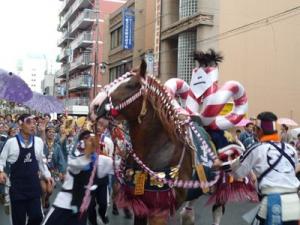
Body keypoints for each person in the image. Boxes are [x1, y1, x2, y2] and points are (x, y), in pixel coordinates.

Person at [218, 111, 300, 225]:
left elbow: (237, 172)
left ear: (259, 130)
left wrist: (219, 165)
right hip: (295, 203)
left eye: (255, 128)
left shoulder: (256, 148)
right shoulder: (291, 149)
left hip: (273, 203)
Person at [42, 130, 115, 225]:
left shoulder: (104, 161)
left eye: (92, 139)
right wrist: (89, 155)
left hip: (81, 208)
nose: (91, 142)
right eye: (87, 139)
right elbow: (77, 164)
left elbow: (115, 167)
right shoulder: (75, 157)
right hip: (64, 204)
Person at [0, 114, 53, 225]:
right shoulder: (11, 142)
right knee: (18, 221)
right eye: (29, 122)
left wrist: (47, 176)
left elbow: (41, 162)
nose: (32, 125)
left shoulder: (38, 141)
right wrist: (1, 172)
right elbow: (1, 160)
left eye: (34, 122)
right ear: (20, 124)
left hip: (33, 188)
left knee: (37, 217)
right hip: (16, 189)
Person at [88, 118, 114, 225]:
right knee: (90, 206)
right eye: (97, 125)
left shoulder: (108, 141)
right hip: (89, 178)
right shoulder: (88, 139)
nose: (99, 127)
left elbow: (110, 157)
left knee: (103, 204)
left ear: (105, 128)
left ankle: (102, 214)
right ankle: (93, 221)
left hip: (102, 178)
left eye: (102, 126)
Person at [42, 124, 66, 209]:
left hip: (52, 172)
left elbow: (61, 160)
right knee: (44, 189)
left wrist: (62, 172)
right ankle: (42, 205)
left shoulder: (57, 147)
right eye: (49, 132)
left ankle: (46, 199)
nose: (51, 133)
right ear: (46, 133)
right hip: (42, 171)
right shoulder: (42, 144)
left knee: (50, 190)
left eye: (53, 132)